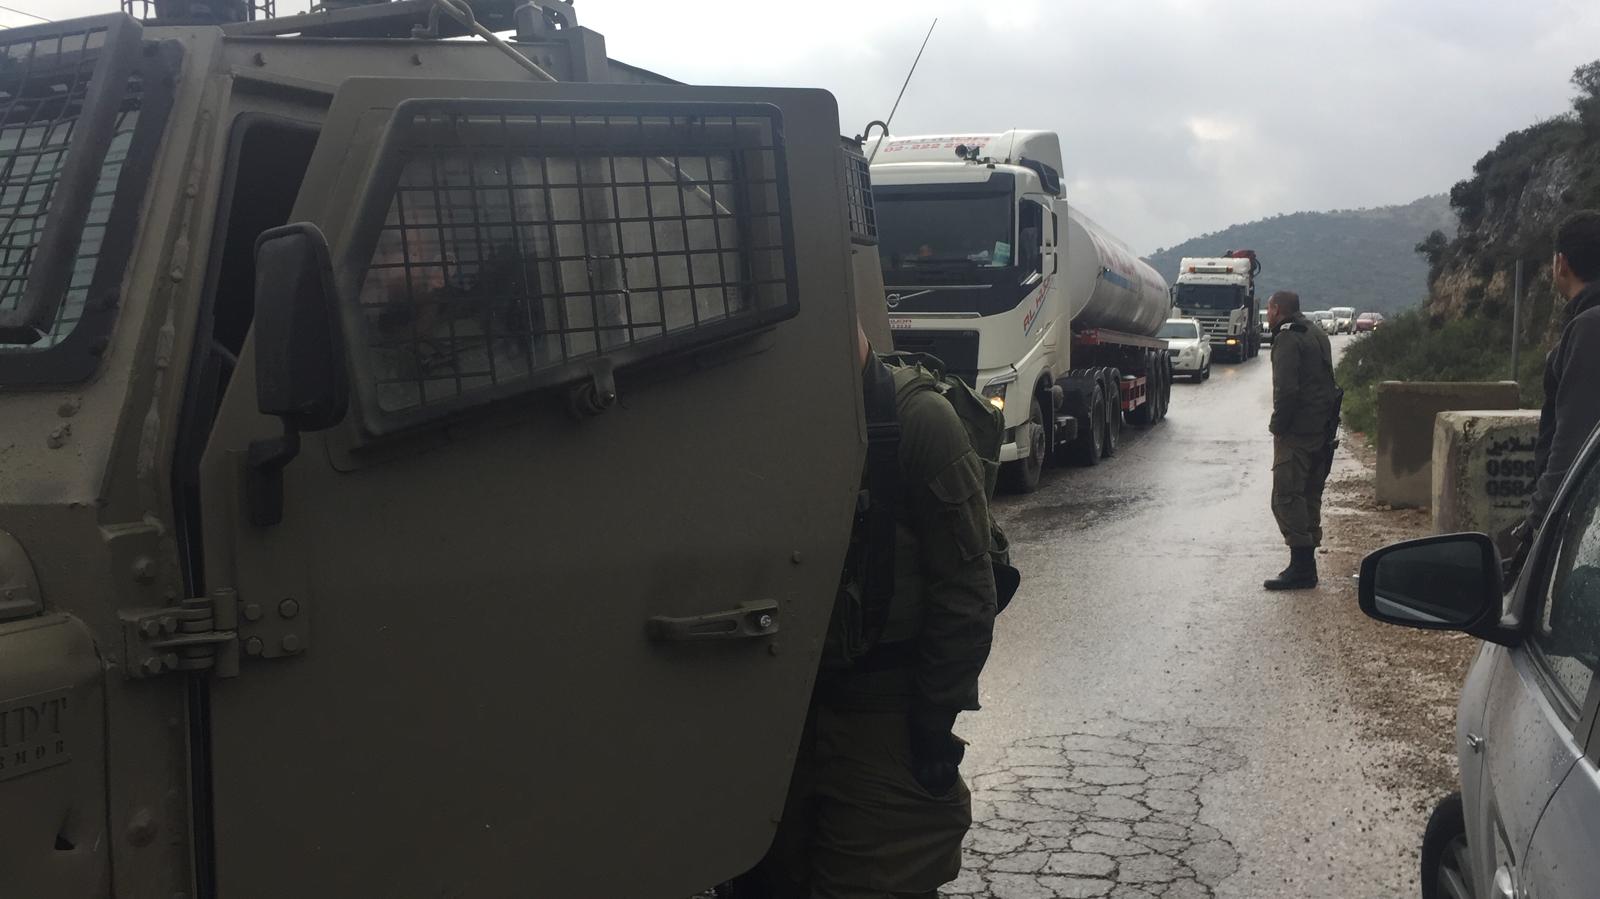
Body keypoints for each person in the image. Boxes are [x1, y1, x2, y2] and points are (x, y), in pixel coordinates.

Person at [749, 323, 1000, 899]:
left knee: (880, 878)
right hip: (783, 717)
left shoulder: (918, 420)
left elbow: (966, 593)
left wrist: (931, 723)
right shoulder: (775, 416)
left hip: (882, 714)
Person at [1512, 211, 1600, 563]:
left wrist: (1538, 522)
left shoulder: (1589, 327)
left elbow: (1573, 440)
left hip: (1583, 514)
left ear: (1561, 264)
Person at [1264, 290, 1340, 590]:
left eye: (1269, 309)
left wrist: (1278, 427)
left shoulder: (1287, 338)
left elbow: (1286, 391)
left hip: (1298, 432)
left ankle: (1301, 567)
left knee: (1286, 496)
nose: (1268, 315)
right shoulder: (1316, 333)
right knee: (1309, 495)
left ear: (1277, 309)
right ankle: (1307, 565)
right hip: (1321, 430)